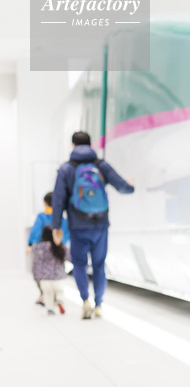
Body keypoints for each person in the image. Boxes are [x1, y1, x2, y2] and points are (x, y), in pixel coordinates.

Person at [50, 131, 134, 319]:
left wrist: (56, 226)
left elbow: (58, 200)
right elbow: (122, 186)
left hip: (77, 225)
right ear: (90, 145)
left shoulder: (66, 169)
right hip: (100, 224)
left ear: (73, 145)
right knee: (99, 265)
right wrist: (130, 186)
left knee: (79, 264)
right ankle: (99, 304)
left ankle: (85, 301)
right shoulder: (101, 165)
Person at [26, 192, 69, 305]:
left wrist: (30, 245)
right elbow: (66, 233)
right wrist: (61, 245)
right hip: (58, 248)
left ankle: (44, 294)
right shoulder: (61, 218)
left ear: (45, 203)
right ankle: (56, 296)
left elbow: (35, 231)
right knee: (56, 271)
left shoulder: (41, 216)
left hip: (42, 248)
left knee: (39, 272)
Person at [32, 226, 68, 315]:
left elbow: (36, 263)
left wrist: (36, 277)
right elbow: (69, 256)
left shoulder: (39, 247)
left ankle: (50, 309)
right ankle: (60, 300)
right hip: (58, 277)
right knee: (60, 291)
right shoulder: (59, 246)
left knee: (48, 294)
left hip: (44, 277)